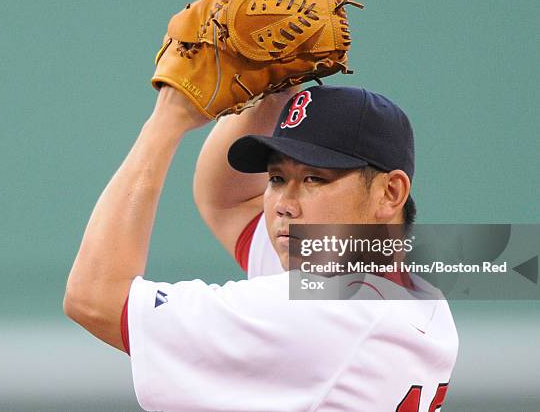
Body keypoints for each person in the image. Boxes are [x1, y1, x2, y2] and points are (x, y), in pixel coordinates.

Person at [64, 84, 458, 411]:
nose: (284, 203)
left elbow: (93, 299)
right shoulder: (419, 297)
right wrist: (272, 94)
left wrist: (168, 119)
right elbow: (227, 199)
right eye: (276, 178)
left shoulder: (321, 312)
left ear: (390, 193)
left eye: (314, 179)